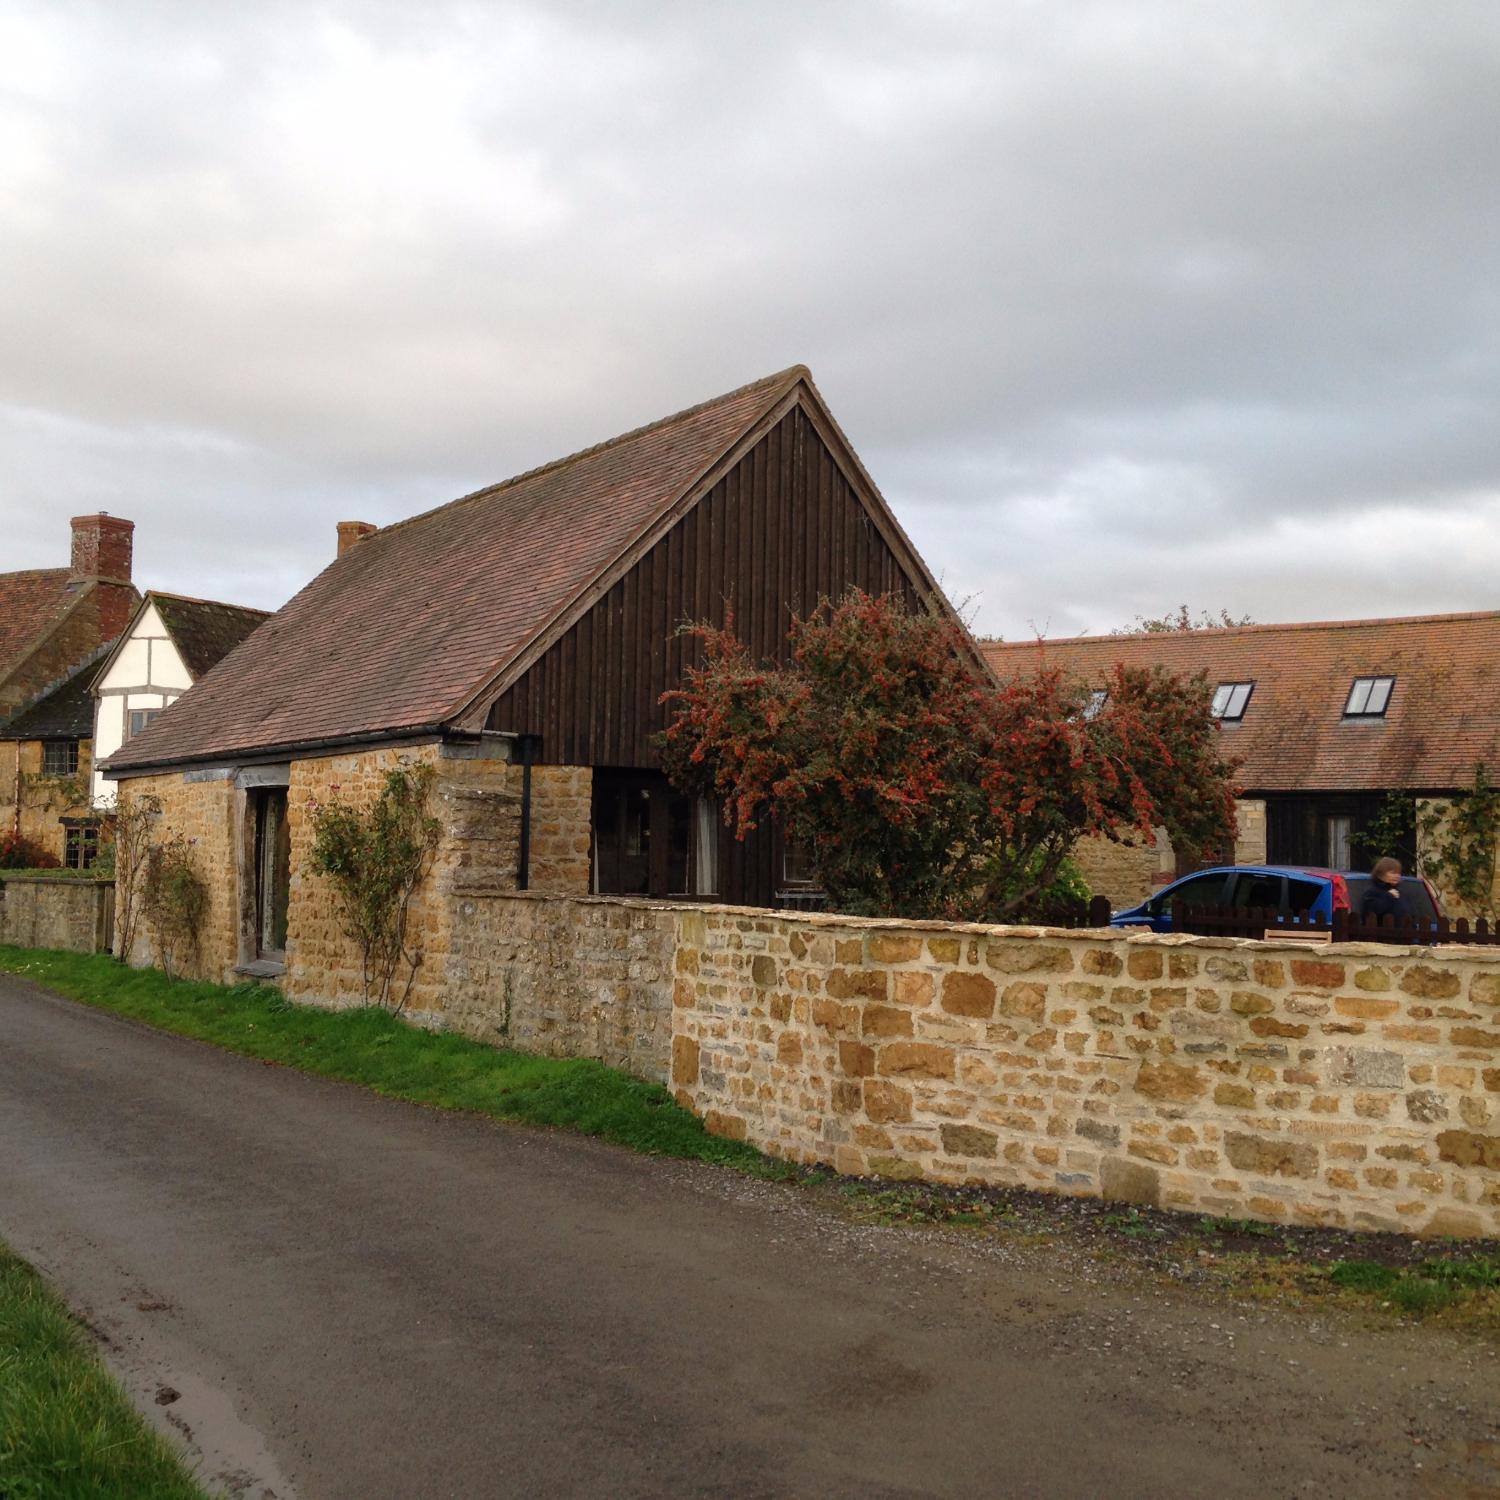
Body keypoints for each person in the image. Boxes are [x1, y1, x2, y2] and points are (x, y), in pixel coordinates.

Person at [1360, 856, 1408, 924]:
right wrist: (1389, 896)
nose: (1397, 876)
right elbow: (1371, 912)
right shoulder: (1371, 893)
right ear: (1380, 874)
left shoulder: (1401, 893)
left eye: (1398, 873)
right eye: (1393, 873)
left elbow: (1408, 915)